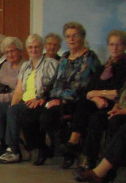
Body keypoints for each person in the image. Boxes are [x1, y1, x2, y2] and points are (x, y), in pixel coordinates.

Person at [34, 21, 99, 166]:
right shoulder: (64, 57)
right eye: (68, 36)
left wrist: (61, 100)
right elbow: (54, 80)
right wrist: (42, 97)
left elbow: (82, 85)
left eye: (75, 35)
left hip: (77, 101)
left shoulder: (89, 57)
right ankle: (47, 149)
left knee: (51, 116)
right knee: (29, 115)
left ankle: (69, 152)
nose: (72, 39)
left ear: (82, 37)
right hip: (56, 98)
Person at [60, 28, 125, 169]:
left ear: (124, 46)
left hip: (115, 106)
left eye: (118, 44)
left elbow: (118, 93)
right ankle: (74, 140)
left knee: (96, 119)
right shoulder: (105, 66)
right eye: (112, 44)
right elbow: (88, 91)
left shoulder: (124, 67)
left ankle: (89, 159)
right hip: (100, 103)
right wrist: (96, 98)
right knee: (83, 102)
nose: (114, 48)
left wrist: (99, 93)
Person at [0, 34, 58, 163]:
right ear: (27, 49)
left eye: (36, 47)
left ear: (42, 47)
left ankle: (13, 150)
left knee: (13, 111)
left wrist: (40, 98)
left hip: (39, 101)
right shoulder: (26, 66)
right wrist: (12, 104)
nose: (33, 50)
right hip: (24, 101)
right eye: (30, 47)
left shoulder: (50, 63)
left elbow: (54, 85)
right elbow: (19, 90)